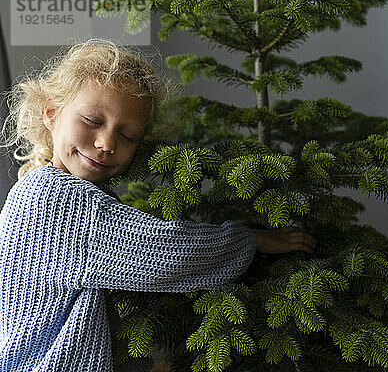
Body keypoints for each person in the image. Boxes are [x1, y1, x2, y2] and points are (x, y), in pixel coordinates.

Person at [0, 38, 317, 372]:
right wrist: (253, 239)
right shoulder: (54, 199)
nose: (107, 143)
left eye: (128, 136)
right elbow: (164, 250)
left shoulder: (36, 190)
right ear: (51, 114)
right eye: (93, 121)